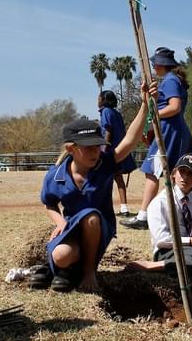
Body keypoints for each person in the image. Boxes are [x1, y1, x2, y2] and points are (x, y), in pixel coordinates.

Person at [40, 81, 156, 293]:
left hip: (99, 228)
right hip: (73, 228)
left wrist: (145, 104)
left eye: (98, 145)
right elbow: (49, 204)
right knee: (61, 255)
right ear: (71, 149)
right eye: (89, 147)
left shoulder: (105, 163)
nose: (96, 151)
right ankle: (62, 270)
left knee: (91, 216)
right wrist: (59, 222)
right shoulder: (55, 175)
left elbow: (130, 140)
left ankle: (88, 270)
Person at [121, 47, 192, 230]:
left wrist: (153, 116)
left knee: (152, 171)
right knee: (174, 173)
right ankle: (179, 213)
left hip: (169, 131)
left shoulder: (169, 80)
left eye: (155, 62)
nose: (153, 65)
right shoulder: (173, 80)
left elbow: (174, 107)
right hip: (175, 130)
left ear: (161, 64)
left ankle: (144, 216)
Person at [98, 90, 137, 217]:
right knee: (118, 178)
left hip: (110, 151)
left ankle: (103, 208)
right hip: (120, 149)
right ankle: (124, 208)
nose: (97, 100)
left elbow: (108, 130)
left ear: (103, 99)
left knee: (104, 180)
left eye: (99, 98)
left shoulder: (105, 112)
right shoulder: (117, 113)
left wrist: (104, 149)